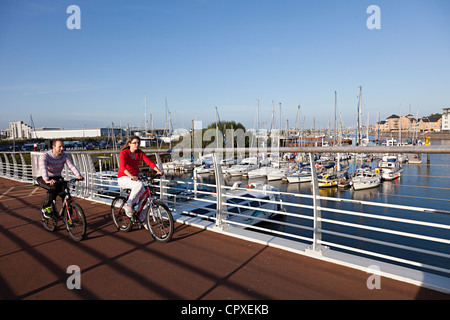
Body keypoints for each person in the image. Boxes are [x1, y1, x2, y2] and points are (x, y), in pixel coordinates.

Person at [117, 136, 163, 219]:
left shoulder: (139, 152)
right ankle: (129, 204)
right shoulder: (124, 152)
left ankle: (142, 219)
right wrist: (131, 176)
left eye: (138, 143)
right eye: (134, 143)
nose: (136, 144)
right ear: (129, 144)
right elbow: (122, 167)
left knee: (145, 200)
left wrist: (158, 170)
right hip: (123, 178)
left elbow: (149, 162)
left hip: (135, 178)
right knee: (139, 184)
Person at [37, 139, 84, 218]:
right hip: (43, 177)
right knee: (53, 188)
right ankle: (46, 207)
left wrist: (78, 175)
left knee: (66, 193)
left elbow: (71, 166)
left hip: (57, 176)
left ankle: (68, 216)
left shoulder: (64, 156)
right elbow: (43, 169)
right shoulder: (45, 156)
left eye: (63, 146)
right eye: (60, 147)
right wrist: (47, 180)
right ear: (53, 147)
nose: (62, 149)